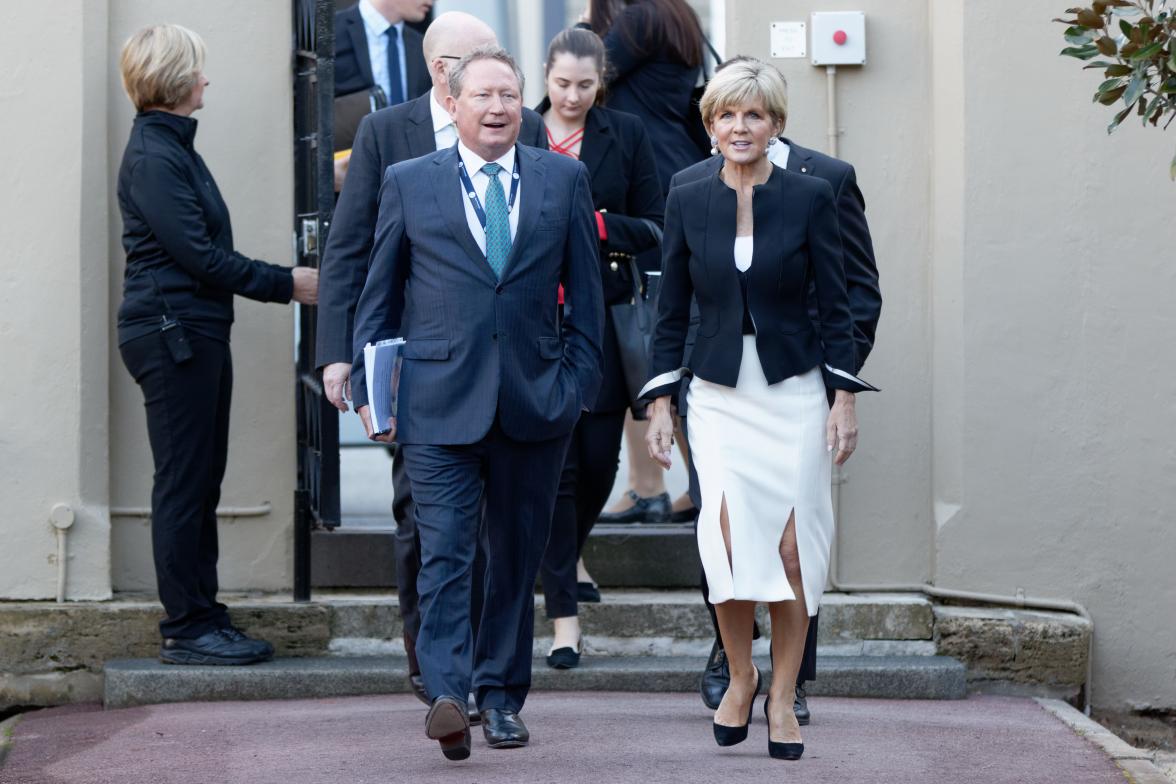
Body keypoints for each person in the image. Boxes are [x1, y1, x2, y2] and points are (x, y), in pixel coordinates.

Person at [351, 47, 603, 760]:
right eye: (483, 95)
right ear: (453, 103)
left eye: (509, 95)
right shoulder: (409, 182)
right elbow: (378, 299)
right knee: (447, 554)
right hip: (436, 405)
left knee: (515, 559)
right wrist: (374, 395)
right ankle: (449, 696)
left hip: (534, 404)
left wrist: (575, 386)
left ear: (524, 105)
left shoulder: (563, 178)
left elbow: (587, 296)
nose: (497, 108)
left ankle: (501, 698)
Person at [640, 58, 876, 761]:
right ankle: (739, 675)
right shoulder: (685, 191)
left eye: (754, 115)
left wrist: (843, 399)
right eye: (725, 116)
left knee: (793, 554)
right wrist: (658, 402)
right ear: (710, 126)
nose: (739, 127)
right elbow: (669, 307)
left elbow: (838, 307)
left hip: (796, 389)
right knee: (729, 544)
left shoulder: (810, 198)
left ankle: (782, 694)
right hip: (715, 393)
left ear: (776, 124)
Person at [316, 11, 548, 718]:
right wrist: (340, 355)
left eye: (491, 62)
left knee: (498, 538)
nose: (485, 81)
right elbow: (355, 249)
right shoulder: (389, 134)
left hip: (513, 380)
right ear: (436, 73)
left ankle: (487, 677)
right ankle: (434, 671)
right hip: (426, 374)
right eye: (464, 63)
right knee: (429, 526)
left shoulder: (526, 132)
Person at [115, 24, 319, 665]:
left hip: (190, 333)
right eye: (199, 70)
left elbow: (201, 256)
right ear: (177, 82)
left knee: (199, 480)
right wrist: (288, 284)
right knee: (184, 482)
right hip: (173, 335)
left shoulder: (170, 148)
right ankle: (187, 629)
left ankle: (203, 617)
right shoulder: (155, 155)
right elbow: (201, 256)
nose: (207, 80)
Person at [534, 28, 664, 669]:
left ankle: (564, 551)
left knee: (596, 462)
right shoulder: (523, 131)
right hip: (534, 321)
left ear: (601, 82)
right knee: (555, 469)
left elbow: (657, 226)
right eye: (562, 84)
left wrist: (596, 223)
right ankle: (565, 618)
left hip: (605, 318)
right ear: (546, 76)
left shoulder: (626, 134)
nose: (573, 96)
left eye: (586, 85)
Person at [585, 0, 706, 527]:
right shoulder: (677, 15)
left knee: (646, 338)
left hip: (649, 184)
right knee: (651, 339)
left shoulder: (636, 19)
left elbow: (588, 76)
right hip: (678, 172)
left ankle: (670, 485)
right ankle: (653, 486)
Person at [333, 0, 435, 189]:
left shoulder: (423, 47)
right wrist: (321, 173)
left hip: (408, 187)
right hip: (344, 191)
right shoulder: (327, 36)